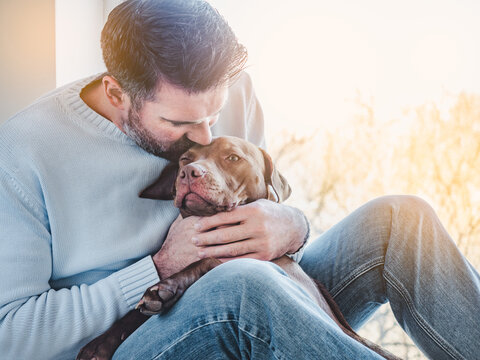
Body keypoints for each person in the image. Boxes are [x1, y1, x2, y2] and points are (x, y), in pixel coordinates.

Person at [0, 1, 478, 359]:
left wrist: (292, 224)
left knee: (399, 219)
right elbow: (11, 334)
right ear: (116, 92)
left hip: (252, 290)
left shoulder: (228, 92)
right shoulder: (25, 154)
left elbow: (264, 194)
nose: (207, 132)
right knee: (245, 284)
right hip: (133, 343)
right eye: (181, 126)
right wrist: (160, 267)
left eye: (215, 112)